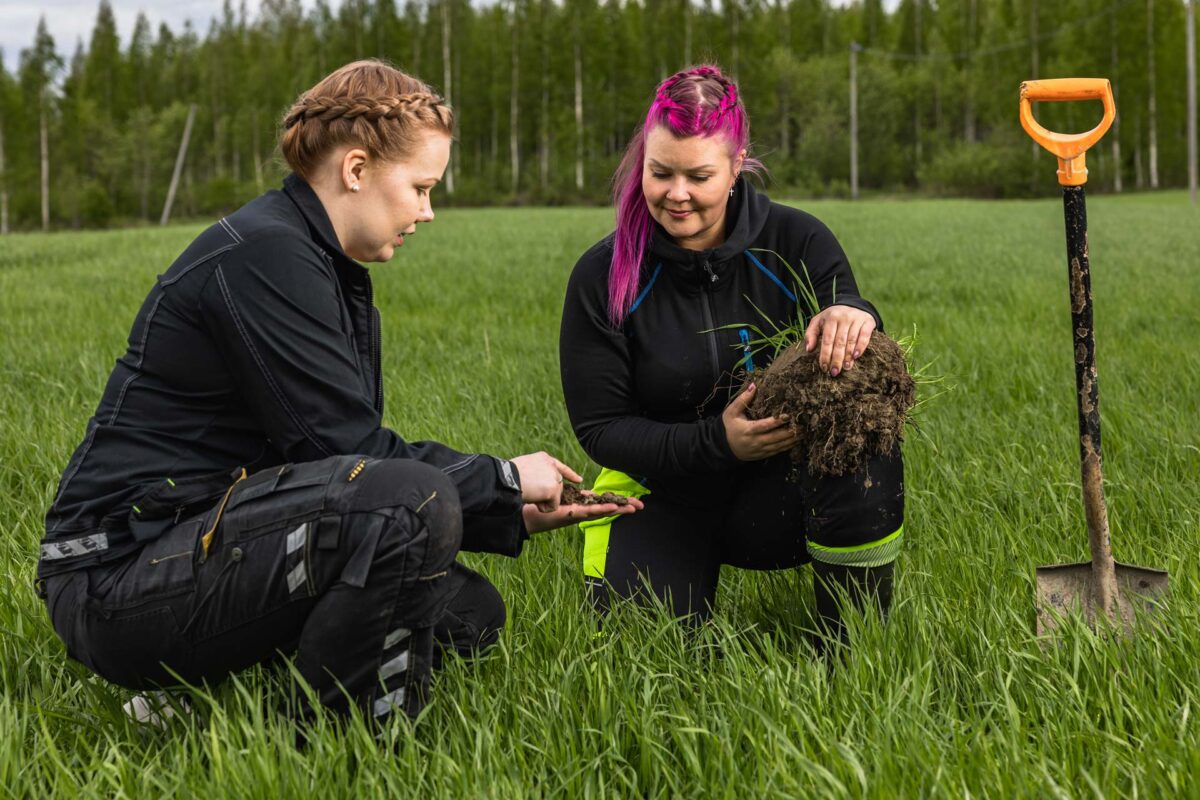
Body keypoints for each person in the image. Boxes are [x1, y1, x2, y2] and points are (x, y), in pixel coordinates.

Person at [36, 59, 640, 725]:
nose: (428, 211)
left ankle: (221, 702)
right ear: (356, 170)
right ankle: (338, 743)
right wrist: (499, 480)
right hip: (115, 579)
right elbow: (351, 452)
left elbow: (332, 468)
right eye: (419, 187)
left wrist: (503, 508)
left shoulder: (311, 257)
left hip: (195, 545)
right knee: (411, 505)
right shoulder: (266, 256)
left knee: (468, 616)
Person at [559, 65, 903, 648]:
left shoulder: (797, 240)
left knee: (863, 429)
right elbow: (601, 428)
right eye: (660, 172)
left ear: (737, 162)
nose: (677, 194)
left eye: (699, 175)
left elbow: (848, 323)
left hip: (784, 491)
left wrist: (856, 312)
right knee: (643, 654)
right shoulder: (602, 275)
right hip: (662, 490)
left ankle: (853, 640)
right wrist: (719, 442)